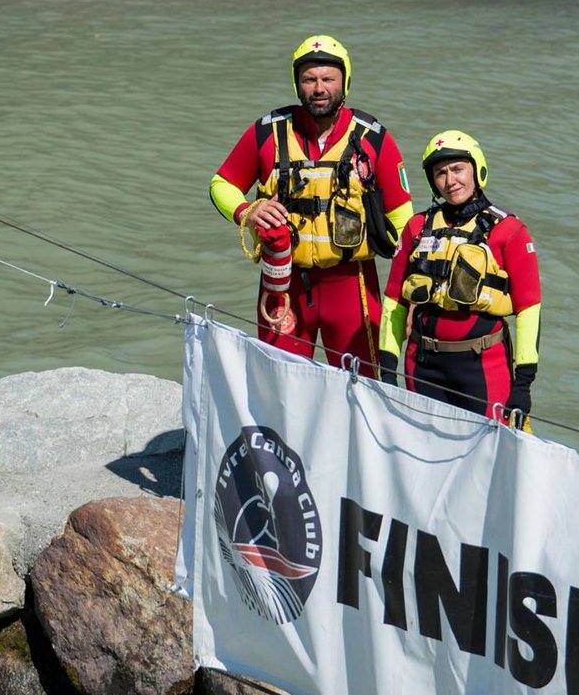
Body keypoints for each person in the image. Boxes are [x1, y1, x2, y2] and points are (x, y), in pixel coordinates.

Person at [211, 35, 414, 368]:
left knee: (360, 388)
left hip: (353, 285)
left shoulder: (374, 138)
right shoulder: (267, 132)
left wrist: (406, 298)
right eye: (309, 79)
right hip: (283, 282)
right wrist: (248, 210)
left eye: (328, 79)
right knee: (278, 381)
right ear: (298, 84)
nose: (319, 88)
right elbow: (221, 184)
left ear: (344, 82)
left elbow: (404, 222)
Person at [378, 130, 541, 425]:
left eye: (458, 169)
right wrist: (388, 369)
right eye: (440, 173)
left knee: (491, 458)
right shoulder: (417, 227)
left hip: (483, 367)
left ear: (477, 169)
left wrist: (523, 384)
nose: (450, 180)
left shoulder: (509, 231)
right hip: (423, 364)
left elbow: (529, 308)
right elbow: (394, 301)